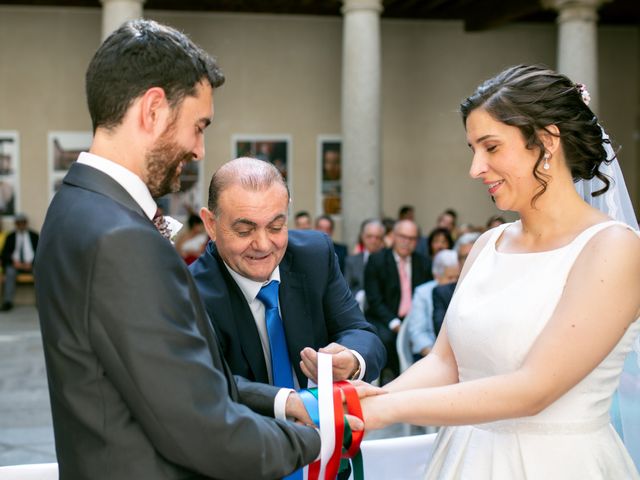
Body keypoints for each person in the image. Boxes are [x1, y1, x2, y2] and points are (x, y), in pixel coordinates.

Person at [34, 20, 323, 479]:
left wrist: (280, 403)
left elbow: (161, 382)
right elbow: (204, 431)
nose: (199, 148)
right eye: (198, 125)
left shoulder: (72, 207)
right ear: (153, 109)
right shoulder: (121, 238)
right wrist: (317, 438)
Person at [361, 65, 640, 479]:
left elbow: (535, 389)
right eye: (472, 149)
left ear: (547, 142)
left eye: (490, 147)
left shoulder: (613, 248)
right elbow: (445, 362)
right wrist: (364, 400)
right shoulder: (487, 247)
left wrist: (384, 410)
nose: (476, 168)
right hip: (464, 457)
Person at [189, 157, 386, 390]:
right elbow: (214, 386)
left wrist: (352, 359)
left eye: (275, 227)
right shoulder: (190, 290)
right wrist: (289, 405)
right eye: (244, 231)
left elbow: (361, 333)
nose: (263, 245)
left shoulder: (314, 256)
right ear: (211, 224)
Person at [364, 219, 432, 382]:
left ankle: (420, 380)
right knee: (387, 339)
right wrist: (394, 323)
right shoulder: (377, 260)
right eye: (402, 237)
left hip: (414, 318)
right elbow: (374, 299)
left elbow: (427, 296)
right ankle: (393, 377)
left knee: (426, 338)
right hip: (385, 317)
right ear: (393, 236)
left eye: (412, 239)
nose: (406, 242)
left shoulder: (423, 262)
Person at [406, 249, 459, 360]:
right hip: (429, 352)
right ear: (437, 276)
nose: (454, 282)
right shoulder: (422, 292)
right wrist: (435, 356)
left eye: (457, 277)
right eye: (450, 278)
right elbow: (417, 332)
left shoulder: (461, 290)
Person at [431, 232, 480, 337]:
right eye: (465, 257)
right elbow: (441, 334)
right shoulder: (442, 293)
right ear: (458, 262)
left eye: (476, 255)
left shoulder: (498, 288)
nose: (471, 261)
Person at [344, 219, 385, 310]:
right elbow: (345, 290)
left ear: (382, 239)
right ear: (362, 237)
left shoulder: (389, 260)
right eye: (369, 236)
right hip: (356, 309)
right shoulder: (352, 261)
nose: (373, 241)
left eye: (377, 237)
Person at [1, 213, 38, 311]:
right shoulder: (10, 236)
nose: (21, 225)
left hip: (31, 265)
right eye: (19, 223)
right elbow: (4, 253)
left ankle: (40, 301)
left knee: (40, 272)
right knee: (9, 272)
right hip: (15, 265)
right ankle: (8, 302)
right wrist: (14, 262)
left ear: (26, 223)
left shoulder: (34, 236)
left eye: (23, 222)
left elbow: (40, 252)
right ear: (15, 224)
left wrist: (32, 263)